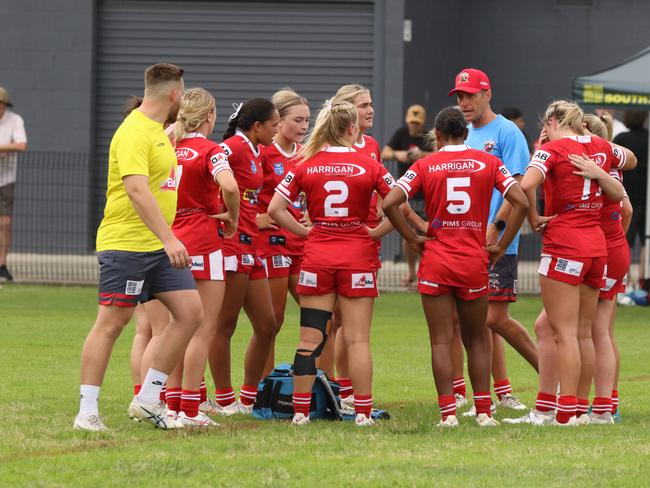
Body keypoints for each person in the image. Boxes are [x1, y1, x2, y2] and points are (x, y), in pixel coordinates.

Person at [74, 63, 203, 431]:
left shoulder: (158, 131)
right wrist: (170, 238)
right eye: (184, 92)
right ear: (175, 95)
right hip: (128, 246)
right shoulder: (133, 131)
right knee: (112, 324)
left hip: (159, 248)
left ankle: (147, 400)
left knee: (191, 314)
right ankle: (87, 412)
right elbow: (136, 189)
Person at [382, 106, 529, 428]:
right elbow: (523, 201)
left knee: (440, 340)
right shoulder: (489, 162)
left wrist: (414, 237)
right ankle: (484, 412)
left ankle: (448, 414)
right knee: (477, 339)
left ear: (436, 135)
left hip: (436, 260)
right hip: (472, 261)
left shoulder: (425, 164)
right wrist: (501, 246)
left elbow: (390, 202)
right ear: (467, 134)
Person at [268, 98, 399, 426]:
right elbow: (398, 200)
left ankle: (300, 413)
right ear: (353, 128)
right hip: (357, 257)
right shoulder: (368, 164)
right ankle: (364, 413)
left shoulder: (305, 164)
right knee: (357, 339)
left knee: (309, 339)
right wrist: (375, 232)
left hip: (318, 258)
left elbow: (274, 209)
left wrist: (305, 232)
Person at [518, 100, 625, 426]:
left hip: (565, 242)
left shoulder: (551, 148)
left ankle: (563, 413)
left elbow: (526, 184)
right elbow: (627, 167)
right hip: (598, 245)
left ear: (552, 121)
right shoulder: (602, 146)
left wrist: (534, 217)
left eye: (544, 127)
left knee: (562, 333)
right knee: (584, 334)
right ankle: (582, 408)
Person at [448, 68, 537, 413]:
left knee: (493, 319)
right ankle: (489, 394)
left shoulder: (507, 131)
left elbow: (517, 187)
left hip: (496, 240)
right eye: (459, 96)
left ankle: (555, 382)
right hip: (463, 240)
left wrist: (496, 228)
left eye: (469, 95)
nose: (463, 102)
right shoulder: (461, 132)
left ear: (488, 94)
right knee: (468, 321)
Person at [167, 87, 240, 427]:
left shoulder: (165, 145)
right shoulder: (210, 150)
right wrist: (233, 217)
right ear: (209, 116)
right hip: (202, 242)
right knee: (202, 330)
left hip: (168, 242)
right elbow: (230, 186)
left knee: (172, 329)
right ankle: (190, 411)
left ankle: (168, 405)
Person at [207, 98, 280, 415]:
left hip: (254, 244)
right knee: (224, 326)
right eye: (274, 126)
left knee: (268, 324)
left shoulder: (256, 151)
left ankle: (250, 397)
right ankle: (224, 399)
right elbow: (211, 179)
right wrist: (222, 215)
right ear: (258, 126)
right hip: (233, 244)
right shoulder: (232, 148)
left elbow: (252, 194)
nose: (276, 132)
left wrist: (259, 216)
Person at [257, 89, 310, 374]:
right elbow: (236, 194)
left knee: (322, 317)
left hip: (302, 245)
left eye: (307, 120)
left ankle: (315, 381)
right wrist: (255, 218)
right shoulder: (264, 153)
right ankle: (261, 387)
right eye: (298, 120)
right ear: (278, 120)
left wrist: (312, 215)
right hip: (273, 245)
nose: (304, 126)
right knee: (272, 322)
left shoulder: (306, 154)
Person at [381, 104, 435, 286]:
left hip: (427, 192)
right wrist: (399, 154)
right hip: (406, 191)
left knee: (428, 231)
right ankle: (412, 271)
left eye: (417, 123)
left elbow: (440, 154)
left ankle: (425, 271)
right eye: (412, 122)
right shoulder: (401, 133)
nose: (414, 126)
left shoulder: (428, 135)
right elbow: (385, 152)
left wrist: (422, 155)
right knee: (409, 234)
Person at [613, 111, 648, 288]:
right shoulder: (648, 138)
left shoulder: (621, 138)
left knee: (622, 239)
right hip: (646, 197)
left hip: (626, 195)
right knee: (646, 241)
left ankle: (625, 281)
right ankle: (644, 281)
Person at [0, 86, 27, 281]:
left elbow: (21, 144)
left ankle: (2, 263)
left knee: (5, 222)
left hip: (6, 179)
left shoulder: (15, 120)